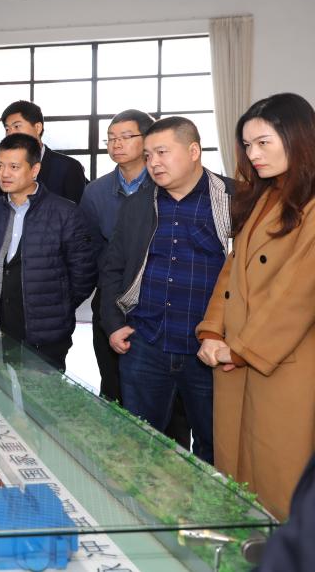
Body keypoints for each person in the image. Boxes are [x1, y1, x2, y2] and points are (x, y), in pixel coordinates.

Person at [195, 93, 315, 520]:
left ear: (298, 138)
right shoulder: (263, 195)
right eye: (247, 145)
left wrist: (241, 349)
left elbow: (297, 293)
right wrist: (212, 331)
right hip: (236, 353)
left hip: (282, 360)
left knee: (278, 474)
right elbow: (231, 271)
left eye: (264, 143)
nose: (253, 155)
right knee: (235, 472)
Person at [100, 117, 232, 464]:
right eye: (148, 156)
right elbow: (112, 267)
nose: (153, 163)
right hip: (146, 344)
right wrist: (113, 323)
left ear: (193, 151)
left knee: (214, 448)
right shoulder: (139, 204)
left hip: (208, 350)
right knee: (140, 445)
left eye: (162, 152)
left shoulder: (232, 200)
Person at [0, 133, 96, 370]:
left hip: (46, 333)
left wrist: (58, 306)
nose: (4, 173)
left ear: (35, 169)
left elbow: (83, 274)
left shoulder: (65, 213)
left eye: (14, 167)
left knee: (42, 391)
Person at [80, 109, 155, 402]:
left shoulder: (165, 184)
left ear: (147, 139)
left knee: (157, 393)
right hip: (110, 296)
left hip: (155, 295)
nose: (116, 144)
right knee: (112, 385)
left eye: (126, 136)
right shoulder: (95, 192)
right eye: (111, 138)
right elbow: (89, 249)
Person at [0, 100, 87, 203]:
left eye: (17, 126)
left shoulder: (69, 167)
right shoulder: (4, 169)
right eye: (7, 129)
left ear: (37, 128)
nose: (10, 134)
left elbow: (76, 210)